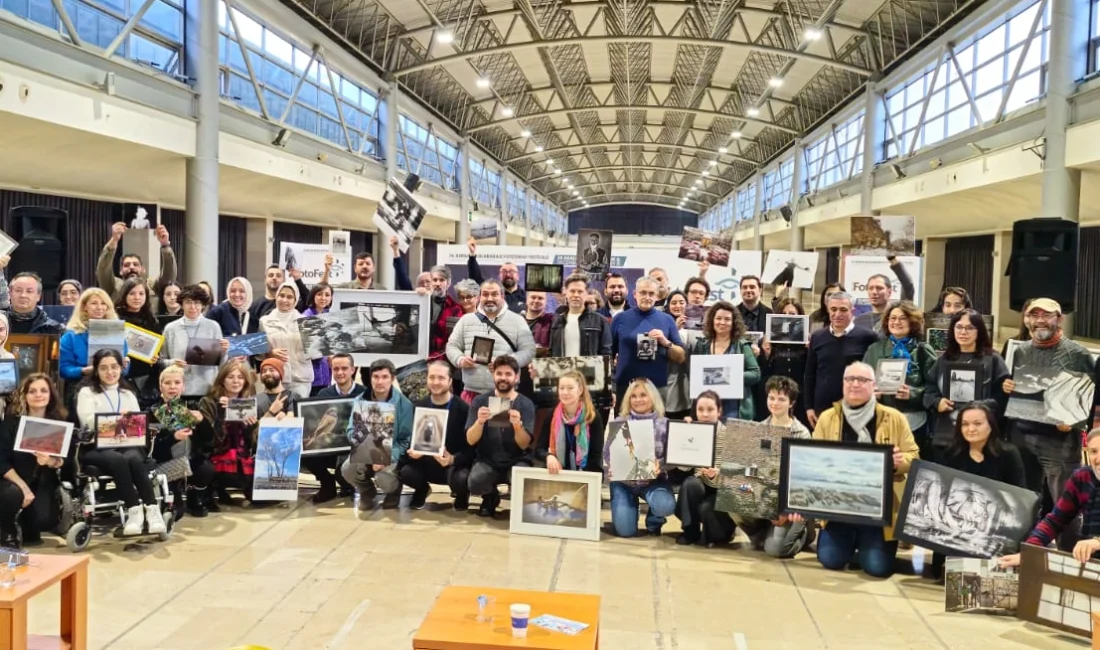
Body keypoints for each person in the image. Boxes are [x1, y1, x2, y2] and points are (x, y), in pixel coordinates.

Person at [808, 361, 920, 578]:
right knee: (830, 560)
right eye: (850, 379)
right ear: (842, 384)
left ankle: (868, 544)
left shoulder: (893, 417)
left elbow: (914, 455)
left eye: (862, 380)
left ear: (873, 385)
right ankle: (852, 542)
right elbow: (813, 460)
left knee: (877, 568)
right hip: (839, 506)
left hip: (879, 509)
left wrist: (899, 462)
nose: (855, 384)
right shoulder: (827, 417)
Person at [1003, 298, 1095, 551]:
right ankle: (1026, 556)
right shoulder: (1020, 350)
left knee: (1065, 506)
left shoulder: (1078, 354)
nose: (1040, 319)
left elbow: (1091, 395)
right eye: (1034, 315)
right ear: (1026, 320)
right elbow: (1016, 387)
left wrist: (1075, 421)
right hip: (1022, 436)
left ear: (1060, 319)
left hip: (1059, 443)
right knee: (1025, 500)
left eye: (1047, 314)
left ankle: (1068, 562)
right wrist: (1008, 386)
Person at [927, 402, 1025, 578]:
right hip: (958, 526)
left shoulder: (1009, 454)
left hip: (996, 528)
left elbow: (1020, 499)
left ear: (991, 425)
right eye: (965, 424)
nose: (970, 429)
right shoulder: (951, 453)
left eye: (977, 423)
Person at [75, 349, 166, 536]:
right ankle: (134, 510)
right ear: (96, 370)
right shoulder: (86, 392)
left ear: (121, 368)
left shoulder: (128, 393)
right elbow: (88, 421)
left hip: (128, 443)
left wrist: (116, 422)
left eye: (114, 367)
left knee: (133, 458)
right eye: (104, 368)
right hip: (96, 445)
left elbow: (137, 424)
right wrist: (120, 420)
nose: (110, 372)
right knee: (117, 459)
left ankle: (151, 509)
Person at [735, 377, 815, 557]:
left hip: (789, 501)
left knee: (777, 550)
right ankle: (761, 535)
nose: (775, 403)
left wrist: (785, 510)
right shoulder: (758, 428)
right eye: (771, 398)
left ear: (791, 403)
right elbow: (750, 467)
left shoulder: (801, 434)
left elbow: (803, 478)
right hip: (764, 497)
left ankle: (805, 533)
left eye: (781, 399)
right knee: (733, 498)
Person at [1000, 428, 1100, 568]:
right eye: (1094, 452)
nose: (1098, 459)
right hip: (1091, 565)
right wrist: (1030, 551)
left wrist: (1097, 542)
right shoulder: (1082, 478)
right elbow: (1055, 520)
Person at [923, 309, 1009, 463]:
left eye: (970, 328)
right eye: (959, 327)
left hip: (980, 440)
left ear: (979, 331)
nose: (963, 332)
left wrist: (979, 408)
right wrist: (937, 402)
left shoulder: (993, 359)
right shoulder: (944, 359)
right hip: (946, 436)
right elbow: (929, 390)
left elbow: (1002, 398)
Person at [861, 301, 937, 461]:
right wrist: (871, 393)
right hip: (881, 420)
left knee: (911, 467)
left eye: (903, 318)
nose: (896, 322)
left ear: (913, 322)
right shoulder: (874, 349)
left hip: (914, 422)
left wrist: (913, 393)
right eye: (892, 318)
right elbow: (862, 383)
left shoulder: (924, 351)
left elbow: (935, 389)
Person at [0, 374, 67, 547]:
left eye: (43, 390)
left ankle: (22, 522)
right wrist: (23, 488)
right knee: (12, 494)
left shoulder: (59, 423)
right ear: (25, 396)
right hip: (12, 479)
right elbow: (1, 461)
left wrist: (50, 461)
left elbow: (63, 461)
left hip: (42, 480)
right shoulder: (11, 422)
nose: (38, 395)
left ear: (50, 394)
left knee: (44, 522)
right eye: (32, 391)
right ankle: (6, 529)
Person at [396, 360, 473, 510]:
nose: (435, 382)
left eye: (441, 378)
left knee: (461, 479)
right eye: (431, 377)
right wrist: (412, 453)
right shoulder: (418, 407)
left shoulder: (463, 409)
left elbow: (472, 449)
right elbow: (407, 440)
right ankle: (422, 489)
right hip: (425, 464)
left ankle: (462, 494)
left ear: (450, 381)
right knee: (405, 472)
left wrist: (453, 459)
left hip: (452, 466)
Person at [465, 356, 535, 517]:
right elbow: (470, 439)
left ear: (516, 377)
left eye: (508, 374)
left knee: (524, 482)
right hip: (487, 460)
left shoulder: (526, 404)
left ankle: (518, 503)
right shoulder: (480, 401)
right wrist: (480, 422)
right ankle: (490, 497)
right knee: (475, 482)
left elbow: (525, 445)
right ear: (493, 375)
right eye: (499, 373)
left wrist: (518, 426)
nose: (503, 378)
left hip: (518, 460)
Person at [446, 279, 536, 402]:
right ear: (479, 297)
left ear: (502, 296)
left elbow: (529, 351)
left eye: (494, 294)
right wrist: (460, 359)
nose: (490, 298)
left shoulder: (517, 321)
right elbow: (451, 346)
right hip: (470, 392)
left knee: (499, 422)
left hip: (504, 392)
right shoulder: (466, 320)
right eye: (485, 294)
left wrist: (507, 363)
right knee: (472, 422)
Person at [607, 378, 675, 537]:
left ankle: (654, 521)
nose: (638, 400)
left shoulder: (665, 424)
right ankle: (628, 509)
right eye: (633, 396)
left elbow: (673, 459)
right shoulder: (619, 423)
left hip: (654, 482)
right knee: (625, 532)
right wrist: (609, 468)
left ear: (653, 398)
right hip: (623, 484)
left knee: (665, 506)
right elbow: (607, 455)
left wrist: (662, 465)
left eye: (643, 395)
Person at [343, 359, 413, 511]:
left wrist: (386, 456)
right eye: (376, 377)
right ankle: (367, 492)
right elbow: (350, 429)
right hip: (364, 450)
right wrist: (362, 445)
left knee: (384, 478)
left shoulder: (404, 405)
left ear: (392, 379)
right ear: (370, 377)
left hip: (390, 453)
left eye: (384, 377)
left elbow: (405, 440)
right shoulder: (359, 400)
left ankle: (394, 492)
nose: (380, 381)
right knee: (347, 469)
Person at [804, 291, 879, 428]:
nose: (837, 314)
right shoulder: (817, 337)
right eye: (833, 309)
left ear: (853, 310)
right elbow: (810, 375)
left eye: (843, 309)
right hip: (823, 408)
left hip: (858, 408)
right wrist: (809, 407)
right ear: (828, 309)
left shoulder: (868, 337)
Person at [149, 365, 215, 520]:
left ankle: (195, 495)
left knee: (206, 468)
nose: (172, 387)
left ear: (183, 386)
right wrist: (173, 437)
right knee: (176, 514)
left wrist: (202, 422)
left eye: (177, 383)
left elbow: (208, 439)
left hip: (190, 457)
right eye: (168, 383)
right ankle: (173, 494)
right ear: (160, 386)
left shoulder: (191, 408)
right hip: (166, 461)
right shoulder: (153, 411)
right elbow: (151, 448)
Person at [610, 277, 685, 407]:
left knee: (657, 427)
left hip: (657, 389)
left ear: (657, 296)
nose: (647, 297)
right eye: (643, 293)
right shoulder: (620, 319)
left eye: (651, 293)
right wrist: (611, 387)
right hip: (625, 388)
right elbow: (608, 355)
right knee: (624, 427)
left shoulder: (667, 320)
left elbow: (681, 357)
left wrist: (665, 341)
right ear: (635, 294)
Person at [299, 353, 362, 504]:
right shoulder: (324, 393)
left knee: (344, 472)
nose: (340, 373)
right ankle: (327, 484)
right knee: (305, 451)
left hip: (354, 447)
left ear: (353, 370)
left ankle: (351, 485)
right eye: (336, 369)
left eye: (344, 368)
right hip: (330, 445)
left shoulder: (364, 393)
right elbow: (315, 422)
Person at [675, 391, 736, 548]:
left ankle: (722, 531)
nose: (705, 414)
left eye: (710, 409)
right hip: (700, 485)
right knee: (690, 483)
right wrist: (684, 434)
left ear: (719, 411)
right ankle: (690, 531)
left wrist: (719, 472)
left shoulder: (730, 434)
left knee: (707, 510)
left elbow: (737, 474)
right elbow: (683, 467)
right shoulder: (694, 431)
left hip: (722, 490)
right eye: (700, 409)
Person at [198, 360, 258, 507]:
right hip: (215, 452)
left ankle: (245, 488)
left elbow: (252, 443)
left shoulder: (247, 403)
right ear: (222, 380)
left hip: (242, 454)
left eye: (240, 377)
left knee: (258, 498)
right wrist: (221, 413)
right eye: (231, 377)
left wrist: (250, 427)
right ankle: (213, 490)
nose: (236, 381)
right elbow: (210, 441)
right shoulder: (208, 401)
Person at [691, 301, 760, 420]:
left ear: (734, 322)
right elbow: (694, 373)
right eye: (718, 318)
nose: (722, 322)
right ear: (712, 320)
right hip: (708, 407)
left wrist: (728, 375)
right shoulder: (702, 345)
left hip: (735, 408)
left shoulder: (742, 345)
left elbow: (755, 374)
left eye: (727, 319)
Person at [161, 284, 226, 400]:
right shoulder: (171, 329)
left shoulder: (213, 327)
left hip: (208, 390)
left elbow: (222, 364)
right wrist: (172, 362)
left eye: (197, 303)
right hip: (178, 390)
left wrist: (224, 351)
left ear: (203, 305)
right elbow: (161, 360)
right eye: (188, 302)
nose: (193, 307)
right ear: (181, 304)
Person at [535, 370, 604, 474]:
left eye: (570, 388)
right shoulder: (552, 415)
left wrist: (579, 476)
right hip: (559, 473)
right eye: (561, 388)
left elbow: (596, 456)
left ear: (580, 390)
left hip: (586, 472)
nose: (565, 392)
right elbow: (539, 449)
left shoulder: (592, 416)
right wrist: (549, 456)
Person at [96, 222, 177, 311]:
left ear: (143, 270)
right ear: (120, 271)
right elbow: (103, 269)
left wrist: (165, 245)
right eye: (126, 265)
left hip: (149, 324)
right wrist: (114, 240)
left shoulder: (152, 285)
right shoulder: (113, 285)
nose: (131, 267)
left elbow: (169, 276)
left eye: (135, 264)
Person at [59, 288, 128, 391]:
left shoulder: (116, 332)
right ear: (84, 307)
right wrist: (82, 371)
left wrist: (124, 366)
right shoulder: (71, 336)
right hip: (81, 387)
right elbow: (63, 369)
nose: (99, 307)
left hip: (112, 386)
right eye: (94, 303)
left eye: (103, 303)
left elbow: (125, 368)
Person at [761, 298, 809, 426]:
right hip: (776, 396)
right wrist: (765, 354)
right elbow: (764, 371)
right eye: (784, 314)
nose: (788, 318)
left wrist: (810, 350)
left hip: (800, 397)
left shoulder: (807, 341)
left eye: (792, 314)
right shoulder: (770, 340)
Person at [260, 282, 313, 398]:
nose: (284, 300)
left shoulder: (306, 321)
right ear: (276, 296)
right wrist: (270, 353)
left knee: (296, 414)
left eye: (289, 297)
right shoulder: (264, 321)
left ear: (295, 300)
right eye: (282, 295)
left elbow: (317, 351)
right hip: (275, 378)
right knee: (275, 413)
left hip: (300, 379)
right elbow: (258, 353)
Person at [114, 278, 162, 398]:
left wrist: (156, 357)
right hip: (120, 377)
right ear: (124, 295)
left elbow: (157, 352)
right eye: (132, 293)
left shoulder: (152, 321)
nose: (137, 297)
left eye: (141, 293)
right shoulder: (115, 319)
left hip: (145, 379)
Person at [548, 274, 612, 358]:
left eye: (580, 291)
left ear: (586, 293)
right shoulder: (557, 321)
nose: (576, 295)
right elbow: (552, 352)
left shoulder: (600, 321)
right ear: (566, 293)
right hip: (562, 370)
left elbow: (606, 354)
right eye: (572, 291)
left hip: (589, 370)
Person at [853, 258, 915, 332]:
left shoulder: (898, 314)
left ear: (889, 292)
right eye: (870, 288)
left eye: (879, 288)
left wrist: (892, 259)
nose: (874, 292)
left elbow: (908, 286)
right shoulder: (859, 321)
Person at [466, 239, 525, 313]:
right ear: (499, 275)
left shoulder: (526, 297)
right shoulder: (492, 292)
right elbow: (475, 279)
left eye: (511, 271)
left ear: (518, 276)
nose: (508, 274)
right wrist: (472, 255)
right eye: (504, 271)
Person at [0, 272, 64, 335]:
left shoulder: (53, 328)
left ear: (38, 296)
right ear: (10, 294)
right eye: (18, 290)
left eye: (29, 291)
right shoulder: (1, 320)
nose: (23, 295)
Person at [425, 266, 464, 360]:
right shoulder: (421, 302)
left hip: (441, 360)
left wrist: (435, 357)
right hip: (418, 359)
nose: (438, 283)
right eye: (435, 280)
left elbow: (453, 340)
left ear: (448, 283)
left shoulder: (455, 309)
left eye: (442, 280)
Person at [301, 283, 334, 396]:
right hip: (311, 371)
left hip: (325, 370)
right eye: (319, 294)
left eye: (327, 295)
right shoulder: (306, 316)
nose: (323, 298)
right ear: (313, 296)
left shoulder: (328, 315)